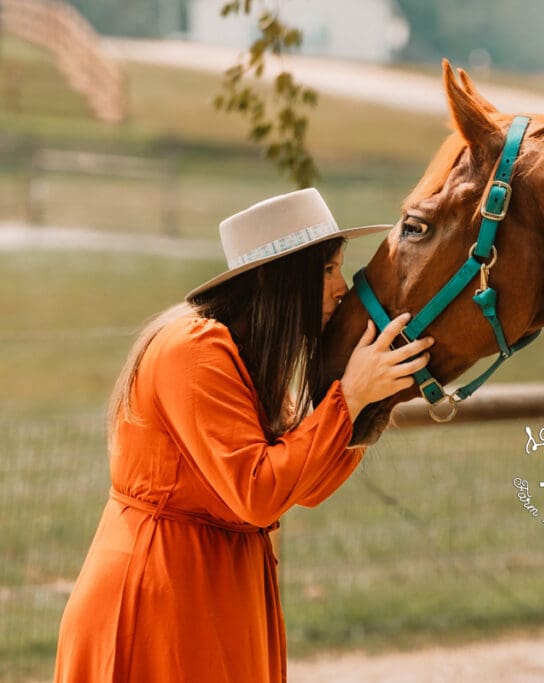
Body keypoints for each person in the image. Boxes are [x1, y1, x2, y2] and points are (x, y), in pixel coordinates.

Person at [53, 188, 431, 682]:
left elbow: (306, 487)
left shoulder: (248, 359)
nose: (342, 289)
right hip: (160, 590)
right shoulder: (193, 350)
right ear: (279, 280)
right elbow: (257, 492)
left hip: (218, 584)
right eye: (325, 271)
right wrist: (349, 400)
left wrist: (363, 403)